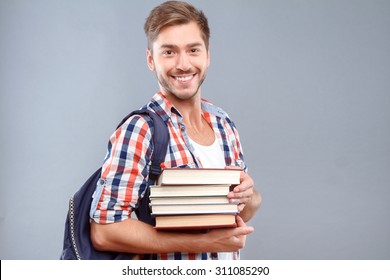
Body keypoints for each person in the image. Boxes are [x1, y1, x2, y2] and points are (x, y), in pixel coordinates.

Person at [90, 0, 261, 260]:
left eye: (193, 50)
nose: (183, 64)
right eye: (169, 52)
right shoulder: (141, 129)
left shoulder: (224, 124)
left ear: (207, 55)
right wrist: (205, 243)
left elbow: (238, 214)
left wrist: (250, 196)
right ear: (151, 59)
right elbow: (104, 231)